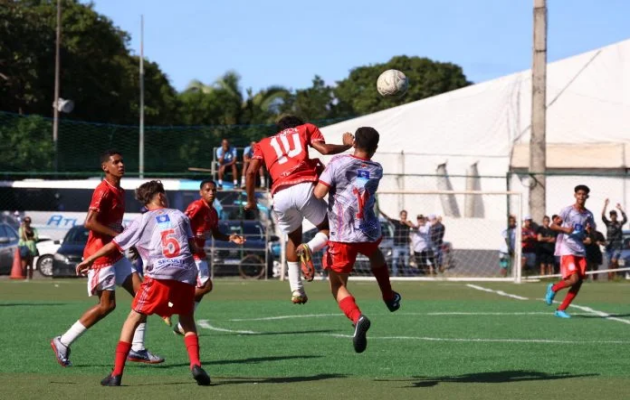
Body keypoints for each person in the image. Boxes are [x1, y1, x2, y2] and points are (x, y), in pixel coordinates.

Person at [75, 180, 211, 386]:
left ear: (146, 201)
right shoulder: (180, 215)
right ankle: (195, 364)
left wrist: (89, 259)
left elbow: (114, 244)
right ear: (160, 196)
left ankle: (116, 374)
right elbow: (193, 247)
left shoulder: (142, 220)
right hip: (185, 275)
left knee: (133, 318)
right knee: (187, 319)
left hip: (159, 276)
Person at [51, 150, 163, 367]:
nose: (121, 164)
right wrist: (119, 237)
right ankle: (63, 341)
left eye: (122, 161)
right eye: (116, 162)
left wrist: (128, 239)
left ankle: (137, 348)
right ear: (106, 167)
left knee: (144, 296)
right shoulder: (103, 191)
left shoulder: (119, 190)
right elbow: (89, 222)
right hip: (99, 254)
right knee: (107, 306)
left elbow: (115, 226)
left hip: (115, 253)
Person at [244, 116, 353, 304]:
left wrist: (251, 200)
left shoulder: (263, 143)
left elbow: (250, 172)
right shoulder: (305, 129)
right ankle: (309, 248)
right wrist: (347, 146)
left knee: (293, 239)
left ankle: (297, 291)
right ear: (298, 126)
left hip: (280, 194)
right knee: (330, 229)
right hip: (304, 187)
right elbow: (325, 150)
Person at [312, 127, 401, 353]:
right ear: (376, 148)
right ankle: (389, 296)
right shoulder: (376, 169)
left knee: (336, 285)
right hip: (367, 227)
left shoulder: (338, 162)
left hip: (342, 233)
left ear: (354, 142)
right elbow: (357, 182)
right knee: (375, 254)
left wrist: (322, 172)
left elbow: (319, 193)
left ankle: (357, 317)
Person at [169, 179, 246, 333]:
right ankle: (173, 305)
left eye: (213, 190)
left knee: (202, 288)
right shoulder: (197, 206)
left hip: (199, 252)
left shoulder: (213, 212)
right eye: (207, 190)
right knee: (205, 286)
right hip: (188, 252)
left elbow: (216, 234)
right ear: (201, 192)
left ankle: (180, 322)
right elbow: (180, 223)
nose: (211, 192)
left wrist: (230, 237)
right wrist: (188, 244)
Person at [545, 184, 596, 318]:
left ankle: (560, 309)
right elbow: (553, 225)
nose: (581, 196)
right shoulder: (567, 210)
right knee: (573, 279)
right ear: (575, 195)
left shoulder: (588, 214)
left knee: (578, 282)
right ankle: (553, 288)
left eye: (583, 194)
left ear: (587, 196)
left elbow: (592, 232)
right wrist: (564, 229)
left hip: (580, 249)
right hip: (567, 247)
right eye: (579, 194)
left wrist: (590, 234)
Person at [378, 209, 413, 277]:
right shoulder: (396, 222)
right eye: (403, 215)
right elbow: (387, 218)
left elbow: (413, 226)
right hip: (397, 246)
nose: (404, 217)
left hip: (405, 246)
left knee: (406, 262)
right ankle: (395, 275)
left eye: (405, 215)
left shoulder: (408, 223)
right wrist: (380, 211)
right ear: (400, 216)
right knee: (395, 261)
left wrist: (405, 221)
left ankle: (406, 276)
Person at [601, 199, 627, 281]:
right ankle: (611, 278)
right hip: (609, 246)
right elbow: (602, 216)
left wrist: (620, 209)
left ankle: (616, 274)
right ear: (610, 216)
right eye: (612, 215)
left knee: (614, 260)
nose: (613, 216)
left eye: (614, 215)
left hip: (617, 245)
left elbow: (625, 219)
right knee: (610, 263)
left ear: (616, 216)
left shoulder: (619, 223)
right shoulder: (608, 223)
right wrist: (605, 205)